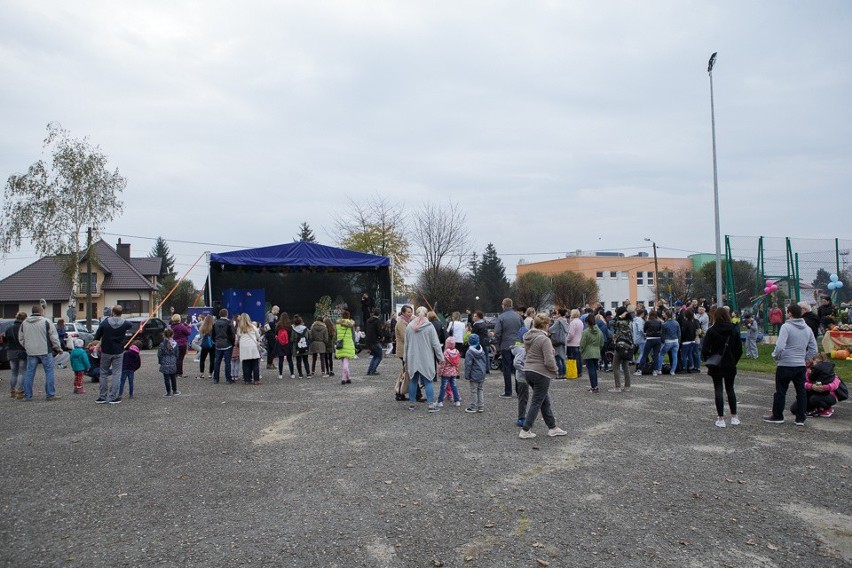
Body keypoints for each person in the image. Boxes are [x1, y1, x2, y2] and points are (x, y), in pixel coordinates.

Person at [763, 302, 818, 426]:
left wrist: (776, 357)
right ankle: (800, 418)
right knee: (801, 392)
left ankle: (778, 415)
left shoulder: (786, 327)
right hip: (800, 365)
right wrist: (806, 358)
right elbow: (814, 348)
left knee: (781, 391)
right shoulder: (807, 328)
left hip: (785, 364)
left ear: (790, 313)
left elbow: (780, 345)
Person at [519, 313, 568, 439]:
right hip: (541, 373)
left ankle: (552, 427)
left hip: (528, 371)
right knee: (537, 401)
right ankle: (525, 429)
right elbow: (549, 361)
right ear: (546, 325)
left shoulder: (529, 336)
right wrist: (556, 370)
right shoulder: (544, 339)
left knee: (544, 400)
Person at [702, 307, 743, 428]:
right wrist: (734, 360)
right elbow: (739, 349)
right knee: (730, 389)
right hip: (730, 363)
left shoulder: (712, 330)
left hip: (716, 363)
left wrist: (708, 358)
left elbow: (705, 349)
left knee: (718, 389)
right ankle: (734, 416)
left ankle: (721, 418)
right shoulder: (734, 329)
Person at [19, 304, 63, 402]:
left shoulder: (24, 323)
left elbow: (21, 338)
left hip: (31, 352)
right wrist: (58, 348)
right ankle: (50, 394)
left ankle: (28, 395)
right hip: (45, 350)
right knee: (49, 372)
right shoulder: (46, 321)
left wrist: (27, 347)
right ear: (41, 311)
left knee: (29, 373)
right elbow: (53, 337)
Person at [404, 306, 444, 412]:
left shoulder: (409, 326)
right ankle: (431, 405)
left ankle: (412, 404)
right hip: (426, 357)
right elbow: (436, 344)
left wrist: (405, 358)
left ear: (416, 314)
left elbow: (406, 344)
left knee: (413, 380)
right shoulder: (429, 327)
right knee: (428, 380)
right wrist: (441, 358)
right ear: (426, 314)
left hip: (412, 357)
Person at [93, 305, 131, 403]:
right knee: (116, 374)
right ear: (121, 313)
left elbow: (97, 336)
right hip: (118, 351)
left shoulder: (105, 323)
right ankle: (113, 396)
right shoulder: (125, 323)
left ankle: (102, 396)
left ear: (112, 312)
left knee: (103, 373)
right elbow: (130, 324)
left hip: (106, 350)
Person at [493, 298, 524, 398]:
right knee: (518, 368)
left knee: (506, 368)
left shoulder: (501, 317)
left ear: (503, 305)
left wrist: (496, 341)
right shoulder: (518, 316)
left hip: (506, 345)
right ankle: (519, 391)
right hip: (518, 345)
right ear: (511, 305)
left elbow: (497, 332)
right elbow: (523, 330)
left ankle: (508, 392)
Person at [797, 353, 841, 417]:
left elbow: (835, 384)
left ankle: (827, 408)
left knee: (814, 399)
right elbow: (801, 383)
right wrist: (811, 386)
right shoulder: (805, 370)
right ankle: (812, 409)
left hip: (828, 394)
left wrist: (824, 387)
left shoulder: (827, 371)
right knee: (795, 409)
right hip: (812, 391)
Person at [610, 306, 634, 393]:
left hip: (620, 346)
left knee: (615, 365)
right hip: (629, 346)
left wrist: (619, 317)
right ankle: (627, 386)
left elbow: (611, 323)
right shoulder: (630, 322)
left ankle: (617, 387)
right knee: (625, 366)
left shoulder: (621, 322)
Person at [463, 333, 488, 413]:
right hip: (482, 373)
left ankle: (473, 407)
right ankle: (481, 406)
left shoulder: (469, 352)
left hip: (474, 374)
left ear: (469, 342)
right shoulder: (481, 350)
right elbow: (485, 361)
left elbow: (468, 365)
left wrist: (467, 375)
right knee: (480, 389)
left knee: (474, 390)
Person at [5, 311, 27, 399]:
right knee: (22, 372)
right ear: (24, 319)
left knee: (14, 373)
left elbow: (6, 340)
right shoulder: (24, 328)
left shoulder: (8, 328)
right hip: (21, 351)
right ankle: (20, 391)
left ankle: (12, 391)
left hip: (11, 352)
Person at [579, 315, 604, 393]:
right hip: (596, 352)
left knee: (591, 370)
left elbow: (582, 343)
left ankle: (593, 387)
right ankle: (595, 386)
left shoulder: (586, 332)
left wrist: (581, 350)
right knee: (595, 370)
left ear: (587, 323)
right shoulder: (599, 331)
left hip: (588, 353)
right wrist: (598, 348)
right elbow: (602, 343)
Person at [511, 328, 530, 426]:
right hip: (522, 378)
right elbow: (516, 363)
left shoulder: (521, 349)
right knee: (523, 398)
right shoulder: (522, 350)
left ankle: (523, 416)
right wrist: (525, 370)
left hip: (523, 377)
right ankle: (521, 418)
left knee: (524, 397)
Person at [236, 314, 262, 385]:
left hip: (244, 346)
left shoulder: (239, 328)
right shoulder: (253, 326)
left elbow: (238, 337)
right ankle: (256, 380)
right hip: (252, 346)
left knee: (246, 364)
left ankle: (247, 380)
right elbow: (258, 336)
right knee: (255, 363)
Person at [211, 308, 235, 384]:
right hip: (227, 343)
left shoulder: (215, 323)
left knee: (217, 362)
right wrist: (232, 343)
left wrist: (215, 341)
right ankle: (228, 379)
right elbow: (232, 334)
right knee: (227, 362)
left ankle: (216, 378)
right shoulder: (229, 323)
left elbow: (213, 334)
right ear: (226, 314)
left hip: (218, 343)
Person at [635, 310, 662, 376]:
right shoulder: (659, 322)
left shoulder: (647, 322)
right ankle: (655, 370)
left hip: (650, 339)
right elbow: (660, 330)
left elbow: (644, 330)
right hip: (658, 339)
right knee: (656, 355)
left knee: (645, 354)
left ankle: (640, 370)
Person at [437, 336, 461, 407]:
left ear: (446, 344)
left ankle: (440, 401)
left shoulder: (445, 353)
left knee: (443, 387)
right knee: (454, 386)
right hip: (453, 372)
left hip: (446, 373)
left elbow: (442, 364)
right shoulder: (457, 352)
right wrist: (456, 370)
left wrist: (440, 372)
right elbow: (457, 363)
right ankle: (457, 401)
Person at [335, 311, 356, 384]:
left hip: (340, 344)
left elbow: (336, 333)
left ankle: (348, 378)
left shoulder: (338, 323)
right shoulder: (351, 323)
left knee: (344, 363)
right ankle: (344, 378)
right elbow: (353, 335)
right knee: (345, 364)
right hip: (348, 344)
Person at [158, 328, 180, 396]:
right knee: (173, 377)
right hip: (173, 362)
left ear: (164, 335)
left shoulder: (162, 344)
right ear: (172, 334)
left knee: (166, 378)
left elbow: (159, 354)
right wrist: (175, 360)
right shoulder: (175, 344)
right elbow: (177, 354)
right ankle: (175, 390)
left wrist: (160, 361)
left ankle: (168, 392)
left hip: (165, 362)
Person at [659, 310, 681, 376]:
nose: (663, 315)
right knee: (674, 356)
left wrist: (663, 341)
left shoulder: (664, 324)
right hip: (676, 341)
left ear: (666, 315)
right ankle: (672, 371)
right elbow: (679, 333)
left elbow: (662, 335)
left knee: (661, 354)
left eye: (664, 314)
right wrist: (678, 342)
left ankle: (659, 369)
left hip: (668, 341)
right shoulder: (676, 323)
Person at [549, 308, 569, 378]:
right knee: (563, 357)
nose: (556, 315)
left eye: (557, 313)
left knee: (557, 357)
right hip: (563, 340)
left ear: (559, 314)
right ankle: (564, 373)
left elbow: (551, 329)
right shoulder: (565, 321)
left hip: (557, 340)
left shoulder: (558, 322)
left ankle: (560, 374)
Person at [365, 308, 385, 376]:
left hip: (369, 341)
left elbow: (366, 330)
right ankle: (373, 370)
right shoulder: (377, 321)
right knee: (379, 356)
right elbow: (379, 330)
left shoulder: (368, 320)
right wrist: (382, 337)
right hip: (375, 340)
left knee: (375, 355)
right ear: (379, 314)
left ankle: (369, 370)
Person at [566, 309, 584, 379]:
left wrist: (567, 340)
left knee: (572, 359)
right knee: (578, 358)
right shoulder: (580, 322)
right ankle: (579, 372)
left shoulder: (573, 322)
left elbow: (571, 334)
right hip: (579, 342)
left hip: (572, 343)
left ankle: (574, 372)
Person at [196, 315, 216, 379]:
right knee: (212, 360)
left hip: (204, 345)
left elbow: (201, 335)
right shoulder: (214, 327)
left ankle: (202, 374)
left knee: (202, 359)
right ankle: (210, 374)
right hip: (212, 344)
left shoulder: (202, 327)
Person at [277, 313, 295, 378]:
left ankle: (280, 374)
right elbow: (291, 335)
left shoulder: (278, 325)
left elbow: (276, 334)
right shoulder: (289, 325)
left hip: (280, 344)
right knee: (290, 359)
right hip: (288, 344)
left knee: (281, 360)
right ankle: (292, 374)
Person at [265, 305, 280, 369]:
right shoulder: (271, 315)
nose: (278, 312)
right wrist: (275, 319)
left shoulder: (268, 314)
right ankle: (270, 363)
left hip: (268, 333)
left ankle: (269, 363)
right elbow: (271, 325)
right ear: (275, 309)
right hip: (271, 334)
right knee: (273, 349)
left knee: (270, 349)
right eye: (278, 310)